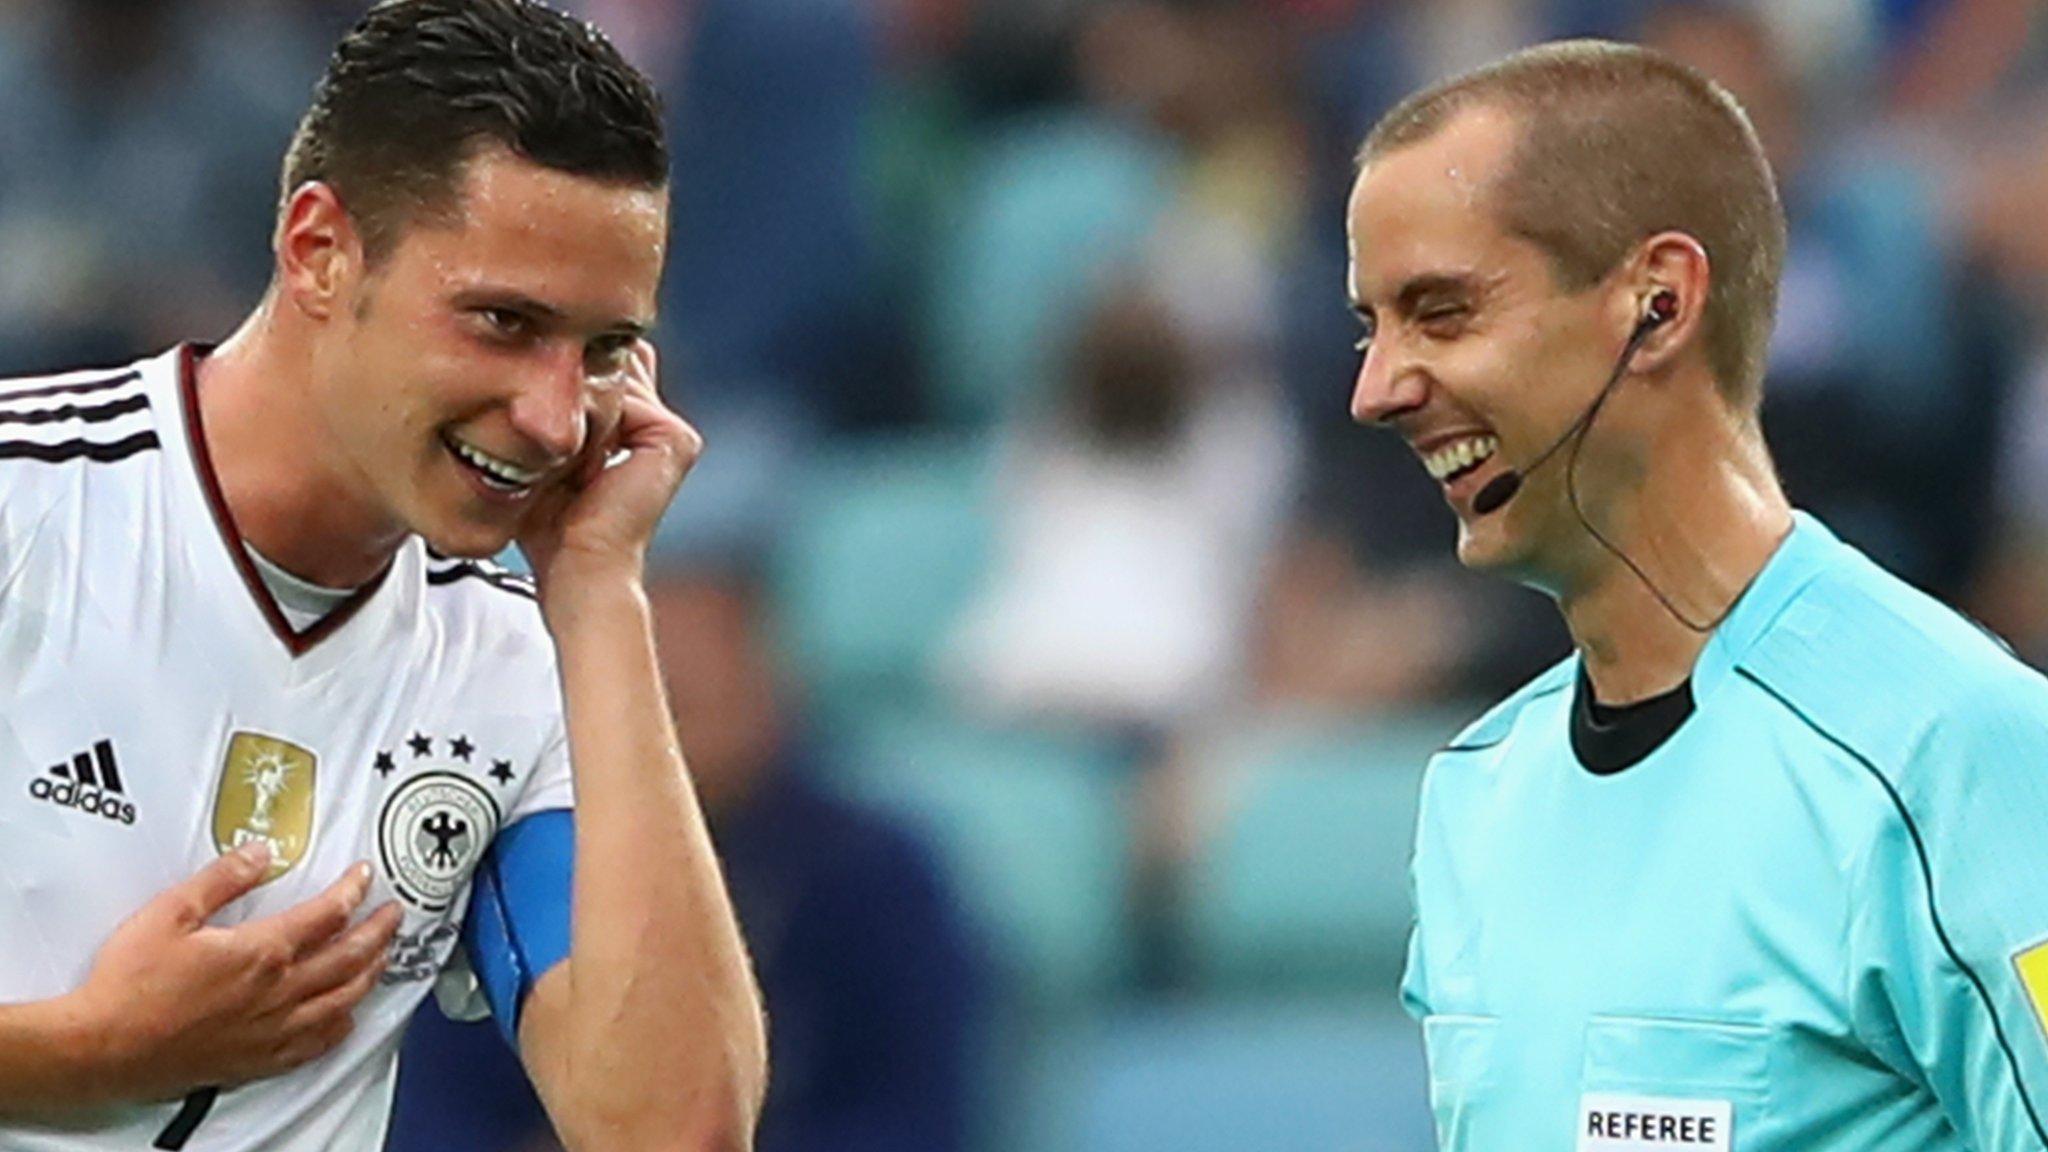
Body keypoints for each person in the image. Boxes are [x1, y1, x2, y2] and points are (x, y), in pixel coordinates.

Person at [0, 2, 767, 1150]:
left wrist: (601, 592)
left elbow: (671, 1134)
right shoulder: (25, 508)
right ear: (318, 251)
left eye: (603, 350)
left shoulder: (529, 664)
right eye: (504, 322)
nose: (556, 419)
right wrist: (85, 1055)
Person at [1348, 40, 2048, 1151]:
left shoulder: (1960, 753)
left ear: (1656, 305)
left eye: (1439, 313)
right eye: (1366, 326)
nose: (1374, 390)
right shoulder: (1473, 798)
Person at [390, 562, 988, 1152]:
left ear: (776, 678)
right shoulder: (518, 854)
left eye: (690, 701)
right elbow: (430, 1104)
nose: (665, 736)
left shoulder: (877, 874)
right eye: (652, 699)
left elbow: (915, 1112)